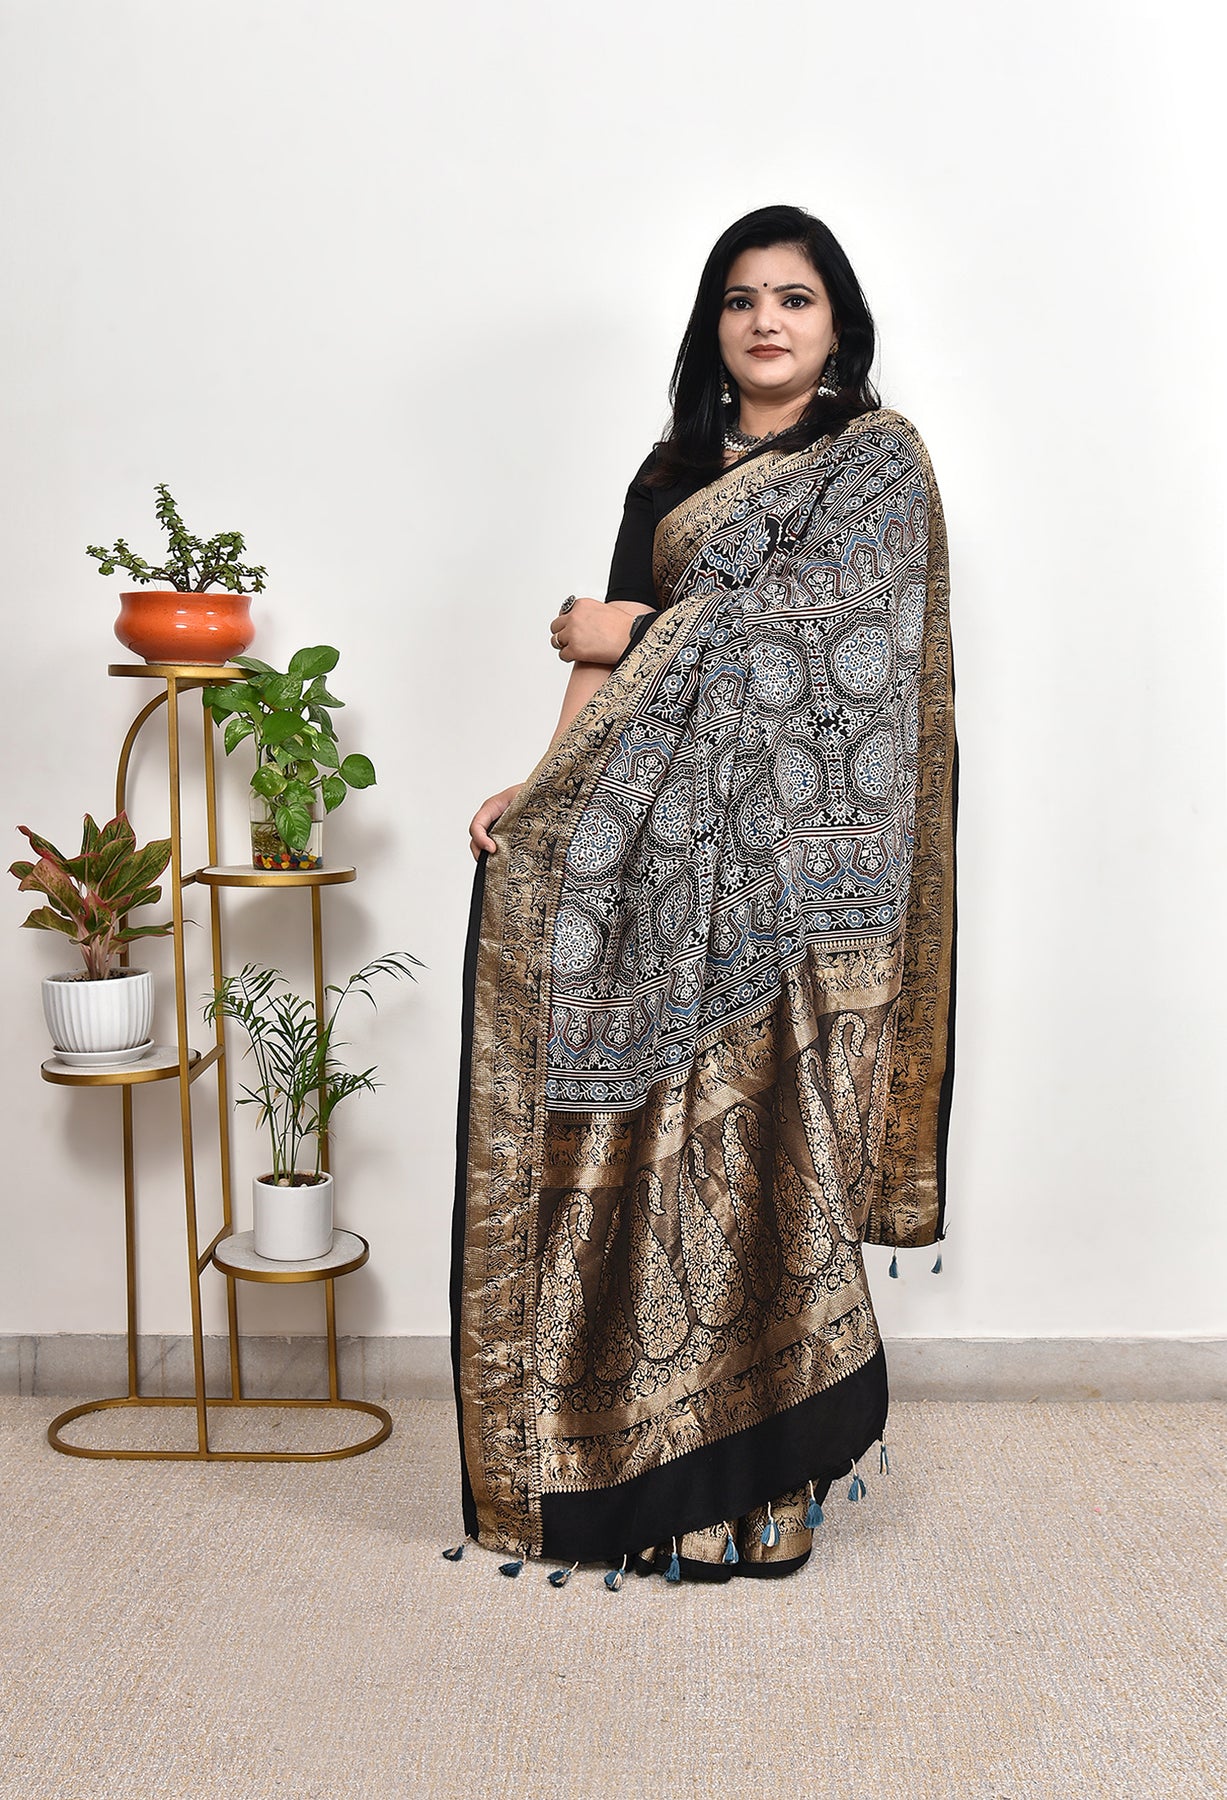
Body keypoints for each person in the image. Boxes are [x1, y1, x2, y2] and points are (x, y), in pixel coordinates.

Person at [451, 204, 957, 1585]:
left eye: (795, 297)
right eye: (742, 299)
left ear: (837, 323)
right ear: (712, 324)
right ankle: (667, 1477)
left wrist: (641, 625)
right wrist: (542, 786)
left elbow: (840, 637)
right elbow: (602, 673)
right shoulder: (670, 472)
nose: (767, 321)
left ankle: (782, 1477)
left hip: (806, 885)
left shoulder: (876, 465)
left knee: (778, 1156)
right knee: (667, 1163)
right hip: (667, 866)